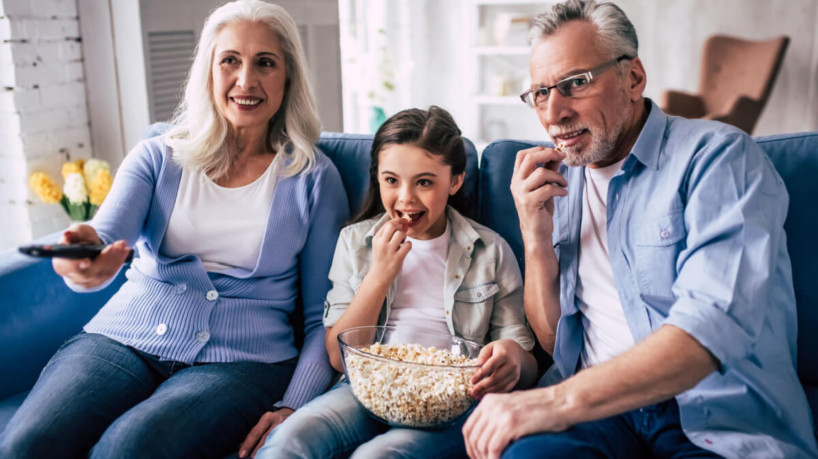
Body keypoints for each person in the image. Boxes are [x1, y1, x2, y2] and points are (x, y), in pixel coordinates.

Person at [462, 1, 818, 458]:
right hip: (597, 416)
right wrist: (535, 238)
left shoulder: (719, 160)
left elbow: (709, 331)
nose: (555, 113)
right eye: (540, 93)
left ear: (633, 78)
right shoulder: (559, 178)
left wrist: (550, 402)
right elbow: (557, 342)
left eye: (575, 84)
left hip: (711, 423)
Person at [0, 1, 348, 458]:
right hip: (124, 339)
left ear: (288, 77)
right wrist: (82, 259)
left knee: (130, 447)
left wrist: (294, 404)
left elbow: (322, 316)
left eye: (265, 63)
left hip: (244, 361)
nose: (246, 81)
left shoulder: (312, 178)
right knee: (27, 444)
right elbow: (103, 237)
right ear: (208, 70)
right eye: (230, 61)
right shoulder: (157, 157)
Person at [253, 106, 538, 459]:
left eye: (424, 182)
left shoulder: (490, 251)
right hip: (364, 389)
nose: (405, 198)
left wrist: (513, 359)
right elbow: (341, 359)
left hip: (449, 401)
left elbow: (524, 358)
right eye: (392, 180)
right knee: (289, 439)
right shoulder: (355, 243)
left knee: (379, 456)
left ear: (455, 180)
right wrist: (379, 274)